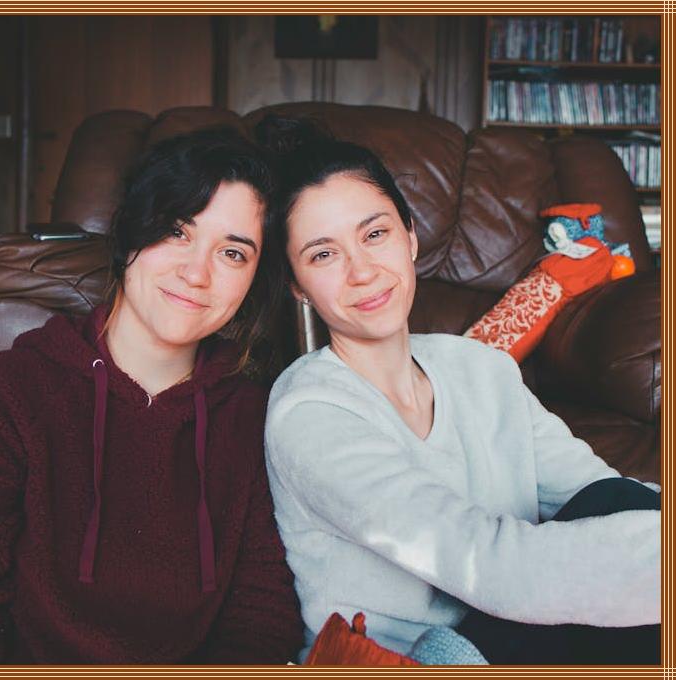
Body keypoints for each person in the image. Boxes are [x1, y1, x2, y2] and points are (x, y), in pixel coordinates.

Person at [0, 127, 303, 664]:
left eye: (233, 253)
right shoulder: (3, 394)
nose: (197, 273)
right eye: (176, 231)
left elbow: (261, 619)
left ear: (253, 281)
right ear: (129, 234)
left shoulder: (256, 420)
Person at [258, 117, 661, 665]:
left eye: (375, 234)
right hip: (406, 660)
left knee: (613, 502)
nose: (362, 272)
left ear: (410, 236)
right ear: (298, 286)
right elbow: (486, 565)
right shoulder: (307, 412)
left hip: (518, 632)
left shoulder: (478, 367)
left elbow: (599, 494)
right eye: (323, 254)